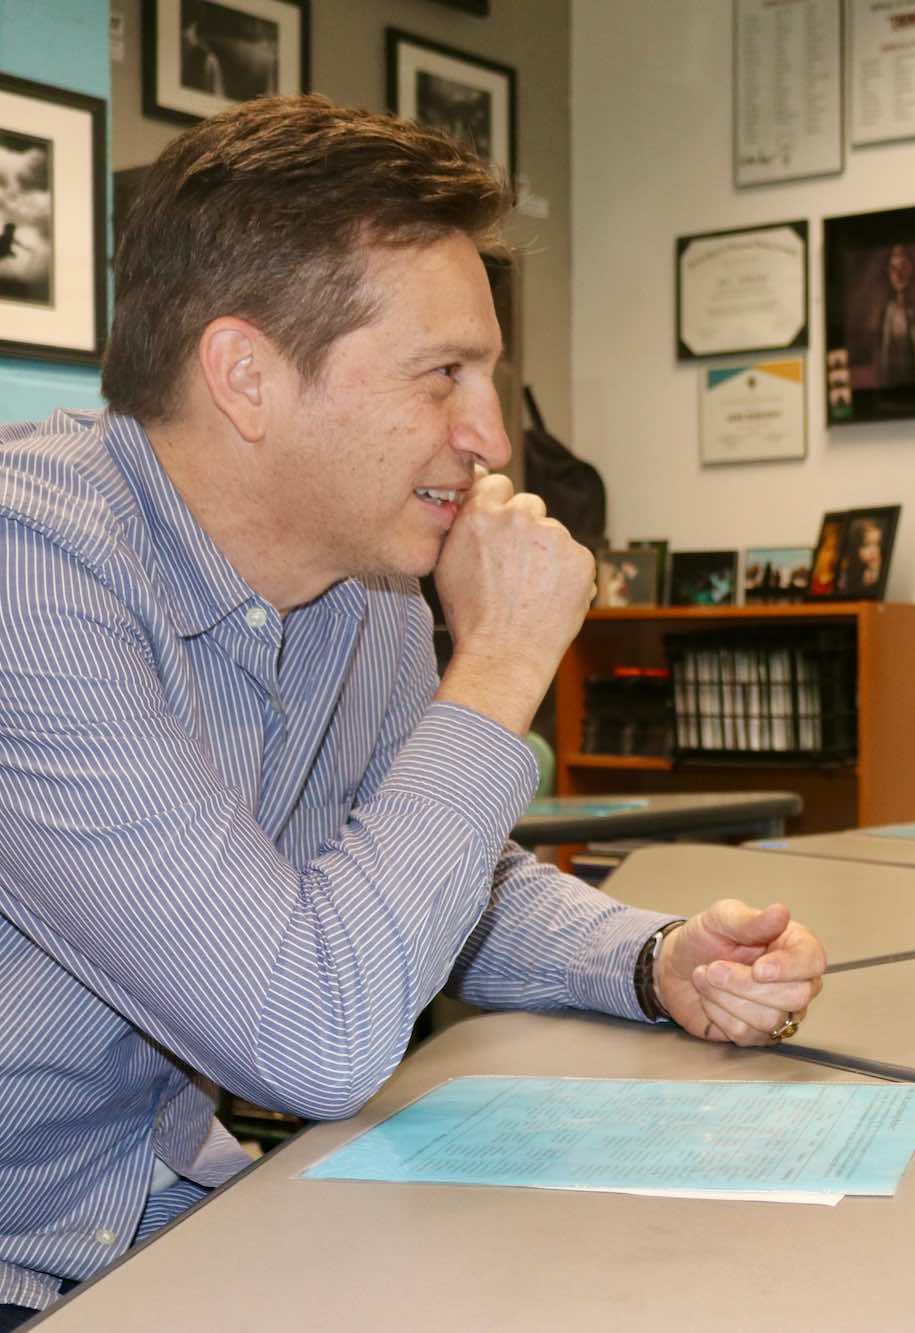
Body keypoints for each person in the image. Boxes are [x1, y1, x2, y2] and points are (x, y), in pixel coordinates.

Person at [0, 96, 826, 1324]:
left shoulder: (361, 574)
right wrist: (495, 666)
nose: (490, 436)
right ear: (245, 376)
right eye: (443, 374)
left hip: (152, 1212)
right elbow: (311, 1033)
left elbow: (417, 885)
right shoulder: (32, 573)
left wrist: (651, 962)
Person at [874, 243, 915, 386]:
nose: (899, 274)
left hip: (908, 365)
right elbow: (885, 342)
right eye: (893, 269)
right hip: (892, 368)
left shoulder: (911, 309)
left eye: (903, 267)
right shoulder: (887, 309)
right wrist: (883, 365)